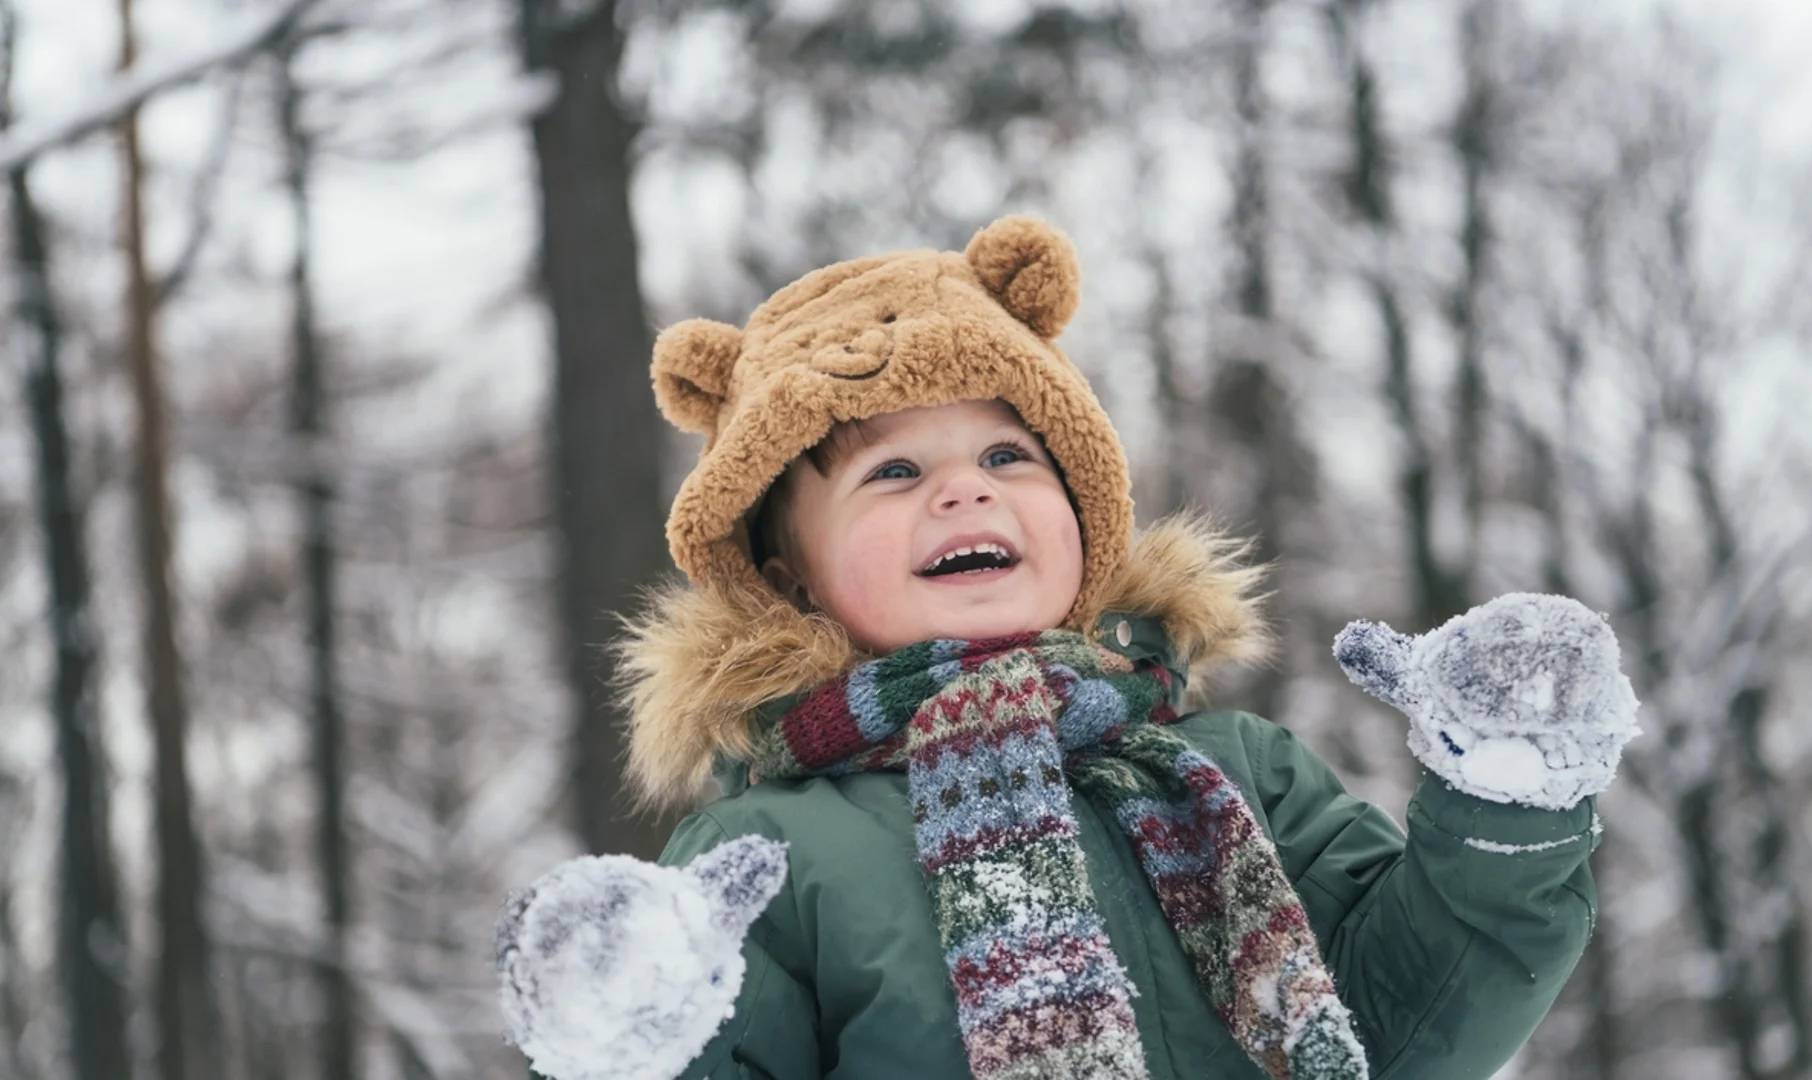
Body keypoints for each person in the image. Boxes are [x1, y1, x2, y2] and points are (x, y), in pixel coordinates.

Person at [499, 215, 1641, 1080]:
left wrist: (1506, 808)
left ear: (1084, 513)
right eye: (893, 473)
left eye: (1008, 459)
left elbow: (1418, 1020)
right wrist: (634, 1031)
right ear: (789, 576)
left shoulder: (1241, 768)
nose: (961, 492)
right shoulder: (770, 851)